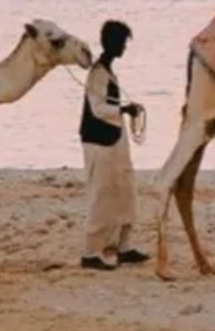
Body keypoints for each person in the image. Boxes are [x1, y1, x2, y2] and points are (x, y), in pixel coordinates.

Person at [79, 19, 149, 270]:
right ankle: (91, 252)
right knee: (101, 193)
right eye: (122, 43)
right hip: (100, 141)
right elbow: (98, 109)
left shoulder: (107, 71)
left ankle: (123, 245)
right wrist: (124, 109)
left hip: (114, 137)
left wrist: (124, 112)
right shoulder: (98, 74)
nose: (124, 47)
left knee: (124, 189)